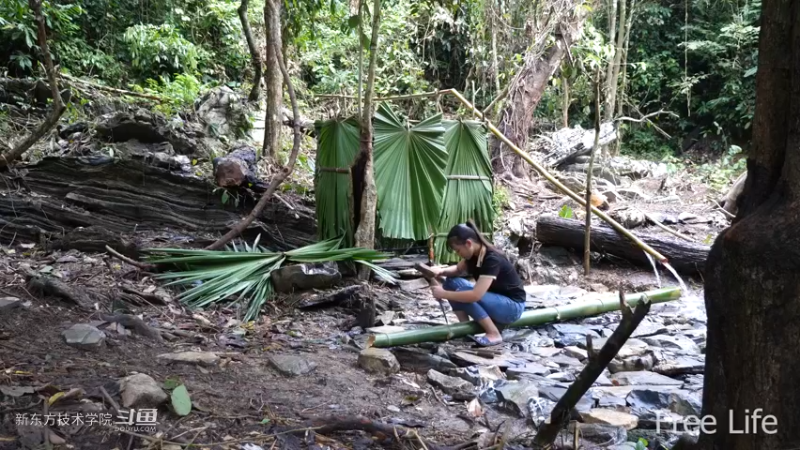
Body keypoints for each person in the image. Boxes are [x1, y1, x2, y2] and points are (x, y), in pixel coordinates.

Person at [427, 220, 526, 346]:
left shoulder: (492, 259)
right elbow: (457, 270)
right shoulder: (473, 255)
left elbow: (475, 295)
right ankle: (464, 327)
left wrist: (443, 294)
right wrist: (440, 272)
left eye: (458, 250)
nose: (458, 254)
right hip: (495, 300)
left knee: (464, 294)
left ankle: (493, 333)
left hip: (512, 307)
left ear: (468, 243)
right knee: (451, 283)